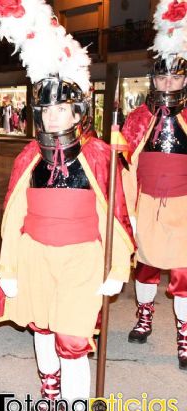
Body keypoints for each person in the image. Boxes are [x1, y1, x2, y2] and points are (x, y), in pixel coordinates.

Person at [0, 2, 134, 411]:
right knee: (43, 330)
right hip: (35, 257)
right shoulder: (28, 157)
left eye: (61, 109)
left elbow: (117, 214)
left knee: (72, 339)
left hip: (81, 259)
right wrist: (9, 268)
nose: (53, 116)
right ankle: (48, 395)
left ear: (77, 112)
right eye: (46, 110)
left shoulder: (100, 156)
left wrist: (118, 266)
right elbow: (14, 219)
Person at [120, 0, 187, 371]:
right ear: (152, 80)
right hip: (146, 206)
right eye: (162, 78)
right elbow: (126, 167)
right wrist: (126, 211)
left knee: (183, 276)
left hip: (183, 209)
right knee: (145, 269)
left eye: (175, 78)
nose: (168, 84)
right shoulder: (137, 118)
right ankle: (144, 318)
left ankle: (184, 338)